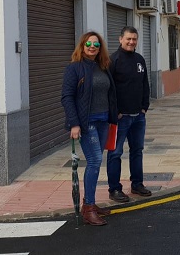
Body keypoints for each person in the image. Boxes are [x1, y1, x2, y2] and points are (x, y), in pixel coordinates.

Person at [61, 31, 119, 226]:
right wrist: (74, 123)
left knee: (97, 160)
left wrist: (114, 113)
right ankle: (88, 208)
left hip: (104, 121)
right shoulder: (74, 68)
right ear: (82, 46)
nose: (92, 47)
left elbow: (109, 92)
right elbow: (67, 97)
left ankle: (91, 204)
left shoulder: (102, 66)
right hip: (87, 123)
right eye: (88, 44)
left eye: (96, 44)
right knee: (94, 161)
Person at [107, 26, 151, 203]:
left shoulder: (140, 59)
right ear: (120, 39)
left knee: (137, 151)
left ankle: (137, 184)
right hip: (120, 118)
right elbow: (109, 89)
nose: (131, 42)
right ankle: (114, 189)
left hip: (138, 117)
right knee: (115, 153)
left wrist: (144, 107)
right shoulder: (113, 60)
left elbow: (145, 84)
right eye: (128, 39)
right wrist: (115, 111)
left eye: (134, 39)